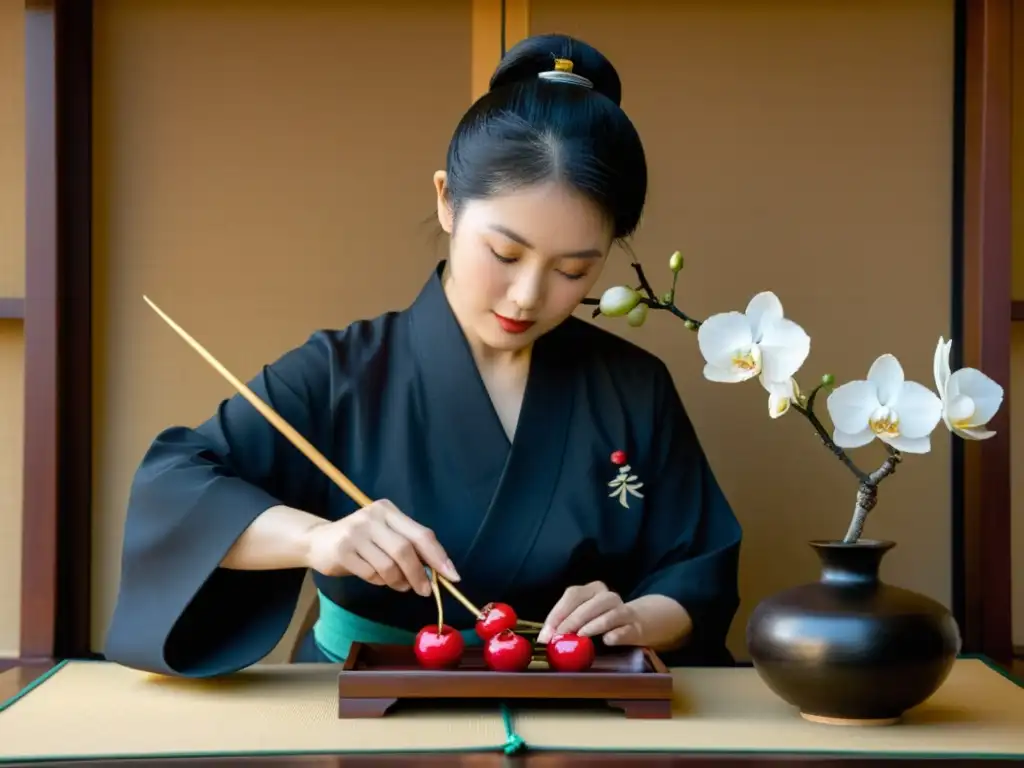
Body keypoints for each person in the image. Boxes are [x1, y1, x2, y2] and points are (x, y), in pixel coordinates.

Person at [103, 33, 742, 678]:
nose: (527, 298)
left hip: (572, 696)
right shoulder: (341, 373)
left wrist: (635, 618)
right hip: (359, 698)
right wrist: (318, 539)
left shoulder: (634, 386)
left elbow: (698, 570)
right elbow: (173, 487)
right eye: (505, 255)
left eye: (575, 271)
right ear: (446, 200)